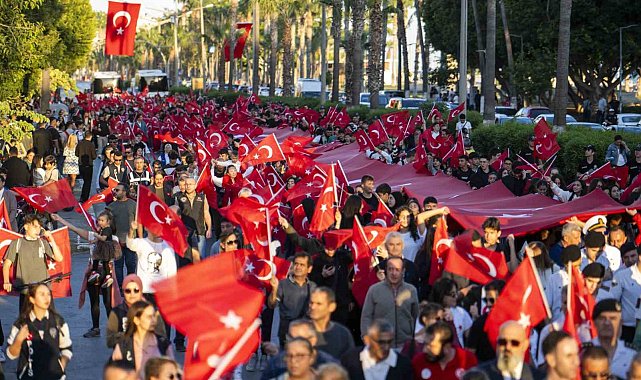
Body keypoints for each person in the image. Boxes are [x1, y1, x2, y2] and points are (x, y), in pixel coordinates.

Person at [51, 211, 119, 339]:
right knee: (94, 302)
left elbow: (115, 252)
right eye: (98, 220)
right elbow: (75, 229)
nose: (99, 223)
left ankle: (113, 329)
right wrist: (60, 219)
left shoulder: (112, 237)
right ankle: (96, 328)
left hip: (106, 272)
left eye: (102, 220)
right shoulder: (93, 235)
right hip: (93, 272)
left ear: (108, 222)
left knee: (108, 302)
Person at [6, 284, 73, 380]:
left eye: (48, 294)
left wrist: (61, 366)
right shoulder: (21, 324)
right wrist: (19, 340)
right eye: (42, 294)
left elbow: (67, 347)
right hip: (28, 376)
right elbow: (10, 355)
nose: (46, 298)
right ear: (32, 299)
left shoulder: (58, 321)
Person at [2, 214, 64, 310]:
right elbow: (6, 265)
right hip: (26, 290)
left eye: (39, 227)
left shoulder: (43, 242)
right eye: (35, 227)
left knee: (47, 321)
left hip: (44, 289)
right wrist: (6, 281)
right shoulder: (16, 243)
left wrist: (51, 238)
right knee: (26, 321)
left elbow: (59, 258)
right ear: (26, 227)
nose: (38, 230)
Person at [361, 256, 419, 348]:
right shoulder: (374, 290)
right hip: (380, 345)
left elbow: (416, 317)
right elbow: (366, 316)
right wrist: (366, 336)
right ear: (386, 270)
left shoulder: (411, 291)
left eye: (397, 269)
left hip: (405, 346)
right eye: (390, 269)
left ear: (403, 271)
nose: (394, 273)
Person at [111, 300, 174, 379]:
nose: (154, 320)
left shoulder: (164, 344)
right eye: (149, 317)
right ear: (136, 320)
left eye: (154, 316)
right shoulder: (123, 346)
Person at [260, 319, 338, 379]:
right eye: (290, 338)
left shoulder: (330, 367)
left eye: (299, 339)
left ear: (313, 340)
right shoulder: (276, 363)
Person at [268, 252, 317, 348]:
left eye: (302, 265)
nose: (298, 267)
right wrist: (274, 289)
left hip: (306, 333)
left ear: (309, 269)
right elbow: (272, 305)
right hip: (287, 333)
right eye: (296, 264)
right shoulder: (282, 284)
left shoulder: (313, 287)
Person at [106, 274, 166, 349]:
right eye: (128, 291)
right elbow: (109, 341)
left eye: (136, 290)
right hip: (123, 356)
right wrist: (127, 335)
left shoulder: (151, 311)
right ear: (123, 292)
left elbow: (162, 338)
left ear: (141, 291)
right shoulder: (116, 312)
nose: (132, 294)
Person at [341, 319, 413, 380]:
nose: (386, 347)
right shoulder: (350, 360)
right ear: (367, 340)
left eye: (389, 342)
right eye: (381, 342)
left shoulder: (403, 364)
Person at [473, 321, 544, 380]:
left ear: (525, 345)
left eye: (514, 343)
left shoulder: (540, 378)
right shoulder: (478, 376)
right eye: (503, 342)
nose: (508, 347)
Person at [411, 321, 477, 380]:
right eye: (425, 344)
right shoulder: (418, 362)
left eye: (431, 346)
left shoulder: (468, 359)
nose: (425, 350)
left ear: (447, 347)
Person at [590, 299, 636, 379]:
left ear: (621, 323)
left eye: (612, 318)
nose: (607, 323)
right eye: (602, 318)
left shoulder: (632, 355)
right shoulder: (585, 352)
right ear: (594, 322)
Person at [308, 287, 355, 359]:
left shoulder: (342, 334)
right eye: (311, 303)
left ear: (332, 307)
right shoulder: (300, 331)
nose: (313, 307)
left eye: (319, 304)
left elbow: (350, 361)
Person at [106, 183, 137, 288]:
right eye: (115, 190)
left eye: (118, 190)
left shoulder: (133, 204)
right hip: (117, 241)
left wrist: (140, 238)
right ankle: (120, 286)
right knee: (118, 265)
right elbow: (107, 225)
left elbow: (138, 222)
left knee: (131, 264)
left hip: (131, 240)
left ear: (124, 192)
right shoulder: (110, 207)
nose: (115, 191)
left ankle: (131, 284)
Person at [175, 177, 213, 257]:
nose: (188, 186)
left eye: (190, 184)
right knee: (187, 258)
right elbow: (176, 215)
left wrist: (209, 228)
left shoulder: (202, 197)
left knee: (200, 256)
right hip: (185, 232)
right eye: (186, 184)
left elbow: (206, 213)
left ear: (195, 185)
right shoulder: (179, 198)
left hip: (199, 231)